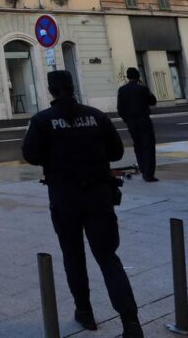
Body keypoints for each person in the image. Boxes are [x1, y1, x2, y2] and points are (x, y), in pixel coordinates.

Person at [23, 70, 143, 337]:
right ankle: (131, 322)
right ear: (73, 86)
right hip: (99, 196)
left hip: (64, 197)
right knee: (108, 258)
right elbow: (116, 152)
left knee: (73, 256)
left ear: (51, 90)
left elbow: (30, 155)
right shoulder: (97, 116)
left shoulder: (42, 120)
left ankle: (85, 312)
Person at [117, 67, 158, 182]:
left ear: (127, 77)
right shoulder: (142, 88)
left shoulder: (122, 90)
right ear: (138, 76)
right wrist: (145, 87)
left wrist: (127, 120)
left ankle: (143, 169)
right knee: (148, 146)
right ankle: (149, 174)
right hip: (144, 119)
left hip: (131, 122)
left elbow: (120, 108)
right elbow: (153, 101)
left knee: (138, 145)